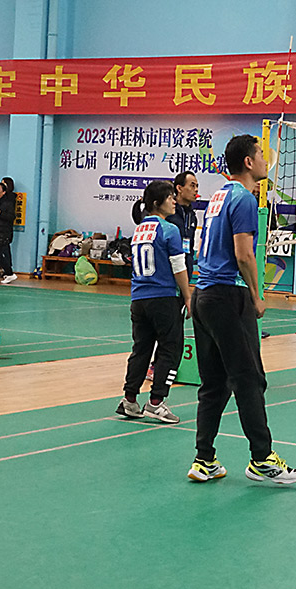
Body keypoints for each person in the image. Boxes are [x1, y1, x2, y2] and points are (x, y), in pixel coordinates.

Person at [188, 134, 296, 485]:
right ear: (249, 163)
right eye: (261, 156)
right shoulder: (245, 199)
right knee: (249, 379)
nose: (268, 161)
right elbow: (243, 254)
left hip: (203, 295)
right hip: (228, 296)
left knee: (214, 384)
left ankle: (204, 459)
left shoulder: (219, 196)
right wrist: (257, 295)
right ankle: (262, 459)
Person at [116, 180, 191, 425]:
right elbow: (178, 266)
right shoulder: (169, 230)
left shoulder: (139, 230)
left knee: (141, 349)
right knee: (171, 348)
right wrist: (188, 296)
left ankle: (129, 399)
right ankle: (156, 401)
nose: (174, 201)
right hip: (163, 298)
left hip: (139, 298)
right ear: (158, 203)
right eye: (170, 197)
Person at [167, 171, 200, 276]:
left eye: (197, 186)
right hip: (168, 270)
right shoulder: (168, 212)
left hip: (186, 270)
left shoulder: (192, 216)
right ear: (179, 188)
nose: (196, 190)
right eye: (192, 186)